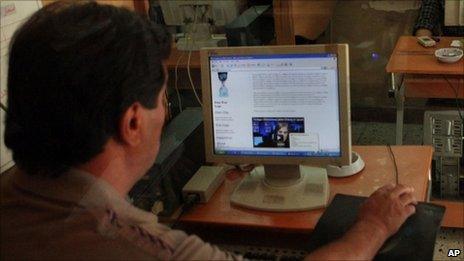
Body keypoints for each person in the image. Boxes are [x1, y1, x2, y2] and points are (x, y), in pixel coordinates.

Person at [1, 1, 418, 260]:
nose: (166, 112)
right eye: (163, 100)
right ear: (132, 123)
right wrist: (375, 226)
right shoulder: (143, 247)